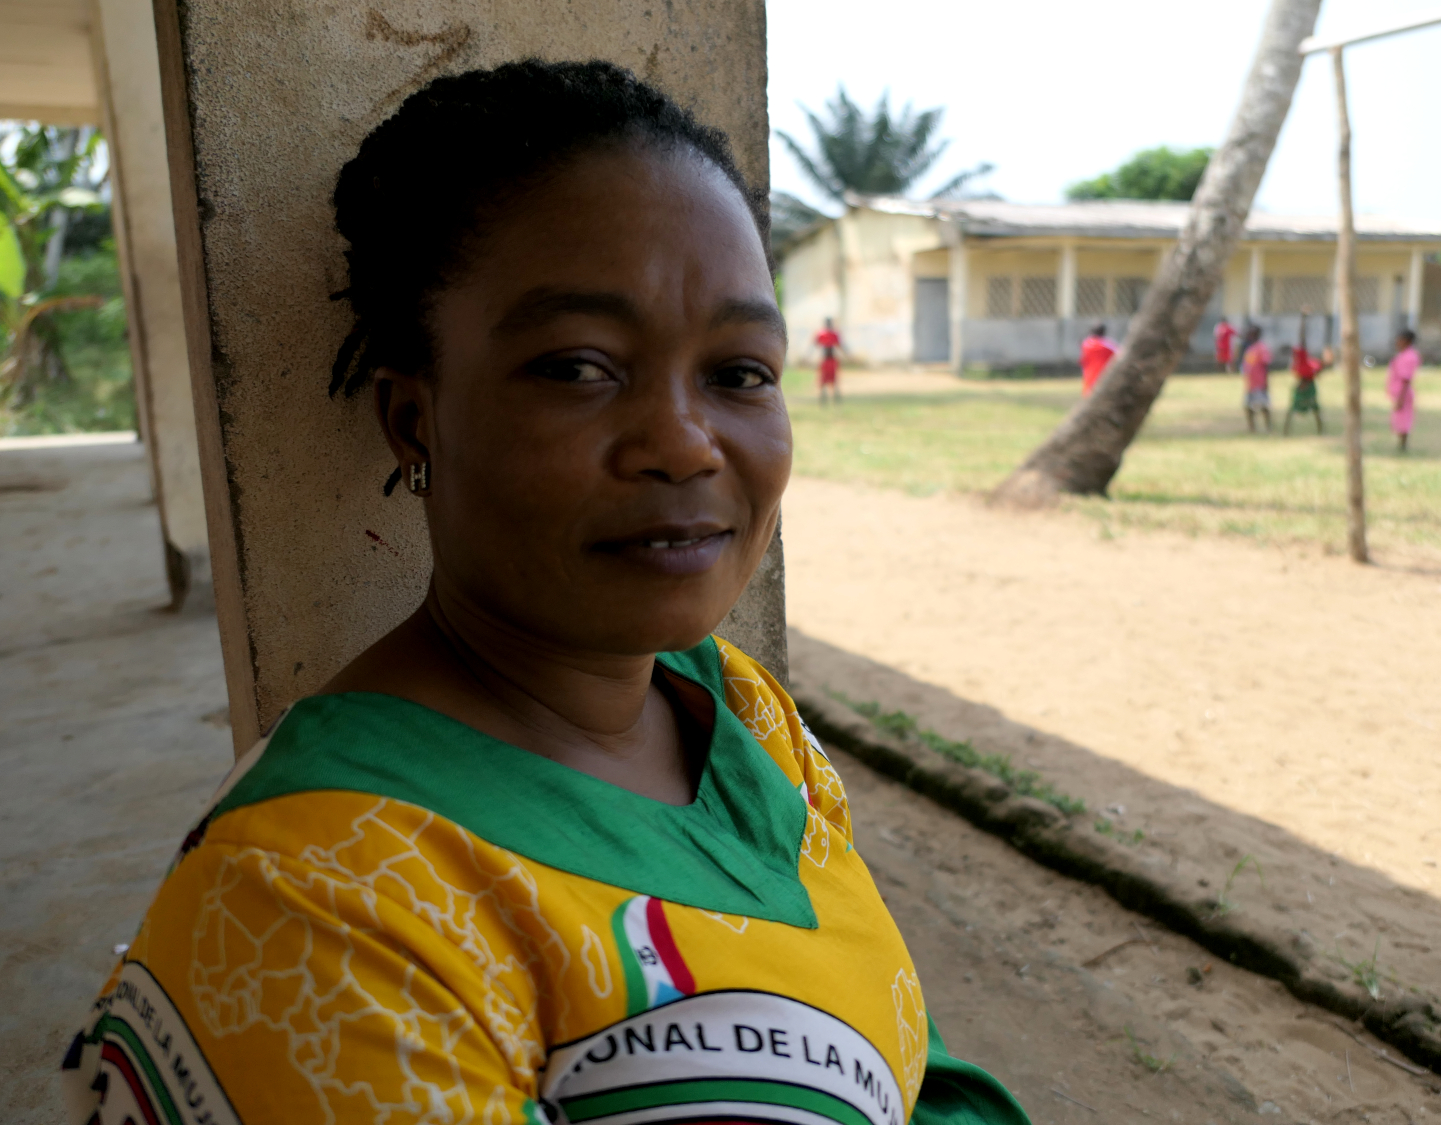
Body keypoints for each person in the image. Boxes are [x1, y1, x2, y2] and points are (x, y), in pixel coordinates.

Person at [59, 61, 1029, 1125]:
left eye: (741, 371)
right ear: (414, 421)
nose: (683, 443)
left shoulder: (743, 720)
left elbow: (921, 1077)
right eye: (578, 366)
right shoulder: (317, 902)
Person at [1284, 307, 1325, 435]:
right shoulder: (1301, 361)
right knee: (1303, 409)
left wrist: (1303, 318)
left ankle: (1320, 430)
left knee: (1313, 409)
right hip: (1304, 384)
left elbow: (1302, 337)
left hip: (1307, 385)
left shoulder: (1303, 359)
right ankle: (1287, 431)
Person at [1388, 328, 1420, 452]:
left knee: (1403, 420)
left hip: (1403, 393)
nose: (1397, 342)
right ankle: (1400, 444)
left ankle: (1402, 446)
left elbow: (1406, 379)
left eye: (1399, 340)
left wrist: (1400, 398)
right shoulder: (1403, 355)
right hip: (1398, 392)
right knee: (1398, 419)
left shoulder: (1409, 357)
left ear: (1406, 341)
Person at [1240, 323, 1273, 433]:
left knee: (1263, 406)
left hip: (1260, 383)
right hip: (1250, 383)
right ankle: (1252, 428)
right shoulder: (1250, 348)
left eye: (1252, 333)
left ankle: (1269, 427)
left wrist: (1266, 382)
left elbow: (1266, 366)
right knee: (1248, 406)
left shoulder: (1262, 348)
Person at [1078, 322, 1117, 396]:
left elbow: (1082, 360)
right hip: (1104, 376)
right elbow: (1119, 356)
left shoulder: (1086, 344)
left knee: (1089, 397)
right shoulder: (1108, 345)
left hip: (1089, 376)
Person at [815, 316, 843, 404]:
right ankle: (823, 400)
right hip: (825, 360)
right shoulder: (822, 334)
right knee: (823, 381)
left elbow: (839, 346)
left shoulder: (834, 334)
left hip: (832, 360)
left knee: (834, 381)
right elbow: (816, 345)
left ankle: (836, 400)